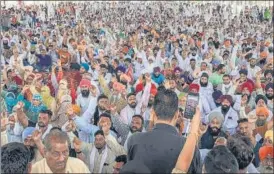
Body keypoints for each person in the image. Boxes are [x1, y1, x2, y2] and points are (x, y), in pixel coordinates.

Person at [127, 88, 201, 173]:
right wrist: (194, 132)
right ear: (177, 114)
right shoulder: (189, 147)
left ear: (153, 113)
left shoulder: (134, 140)